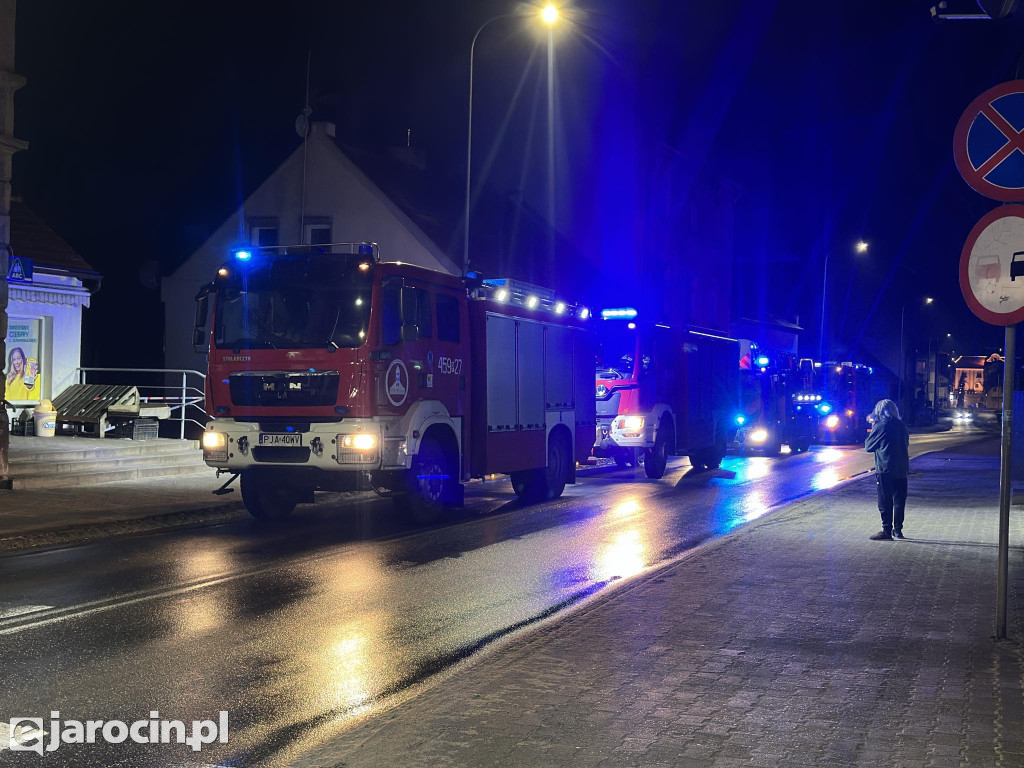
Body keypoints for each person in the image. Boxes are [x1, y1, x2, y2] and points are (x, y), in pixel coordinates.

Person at [864, 398, 910, 540]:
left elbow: (868, 446)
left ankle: (886, 531)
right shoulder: (902, 425)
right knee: (899, 501)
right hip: (902, 469)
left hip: (885, 468)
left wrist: (873, 426)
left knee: (885, 501)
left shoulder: (881, 425)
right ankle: (898, 530)